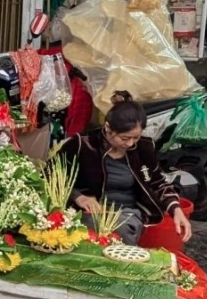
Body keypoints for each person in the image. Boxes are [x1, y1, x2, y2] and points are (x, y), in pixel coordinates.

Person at [61, 90, 192, 246]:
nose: (130, 144)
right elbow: (50, 176)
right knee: (90, 233)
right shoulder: (83, 146)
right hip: (90, 212)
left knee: (119, 230)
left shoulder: (144, 148)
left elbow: (157, 183)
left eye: (135, 137)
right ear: (108, 128)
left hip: (128, 212)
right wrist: (78, 196)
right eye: (125, 138)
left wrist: (175, 209)